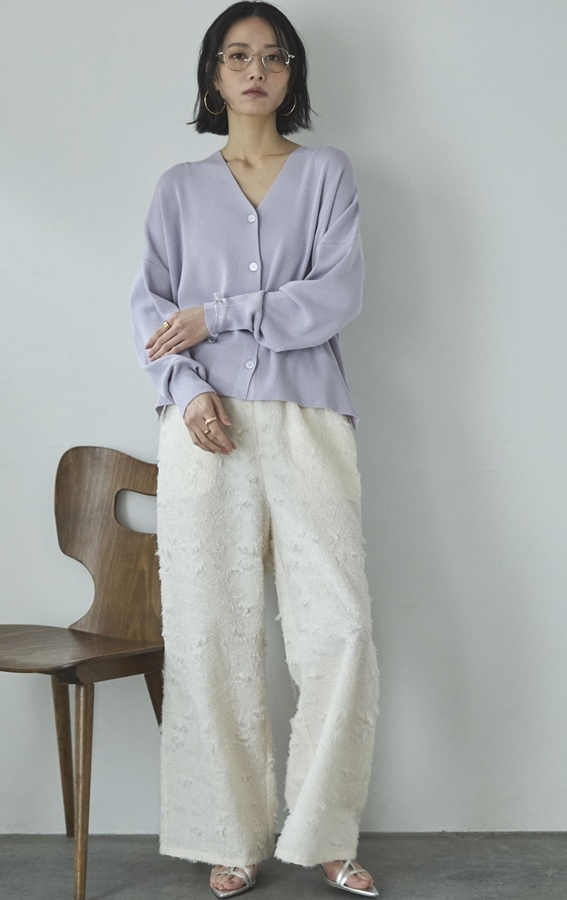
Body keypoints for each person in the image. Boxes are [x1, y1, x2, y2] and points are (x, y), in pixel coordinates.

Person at [130, 3, 379, 896]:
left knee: (340, 628)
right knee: (209, 631)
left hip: (308, 418)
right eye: (237, 56)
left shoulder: (327, 174)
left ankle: (324, 830)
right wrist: (186, 390)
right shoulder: (177, 189)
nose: (255, 70)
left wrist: (222, 315)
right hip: (205, 427)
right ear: (214, 75)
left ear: (290, 75)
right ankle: (226, 834)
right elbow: (150, 309)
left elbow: (335, 295)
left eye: (273, 57)